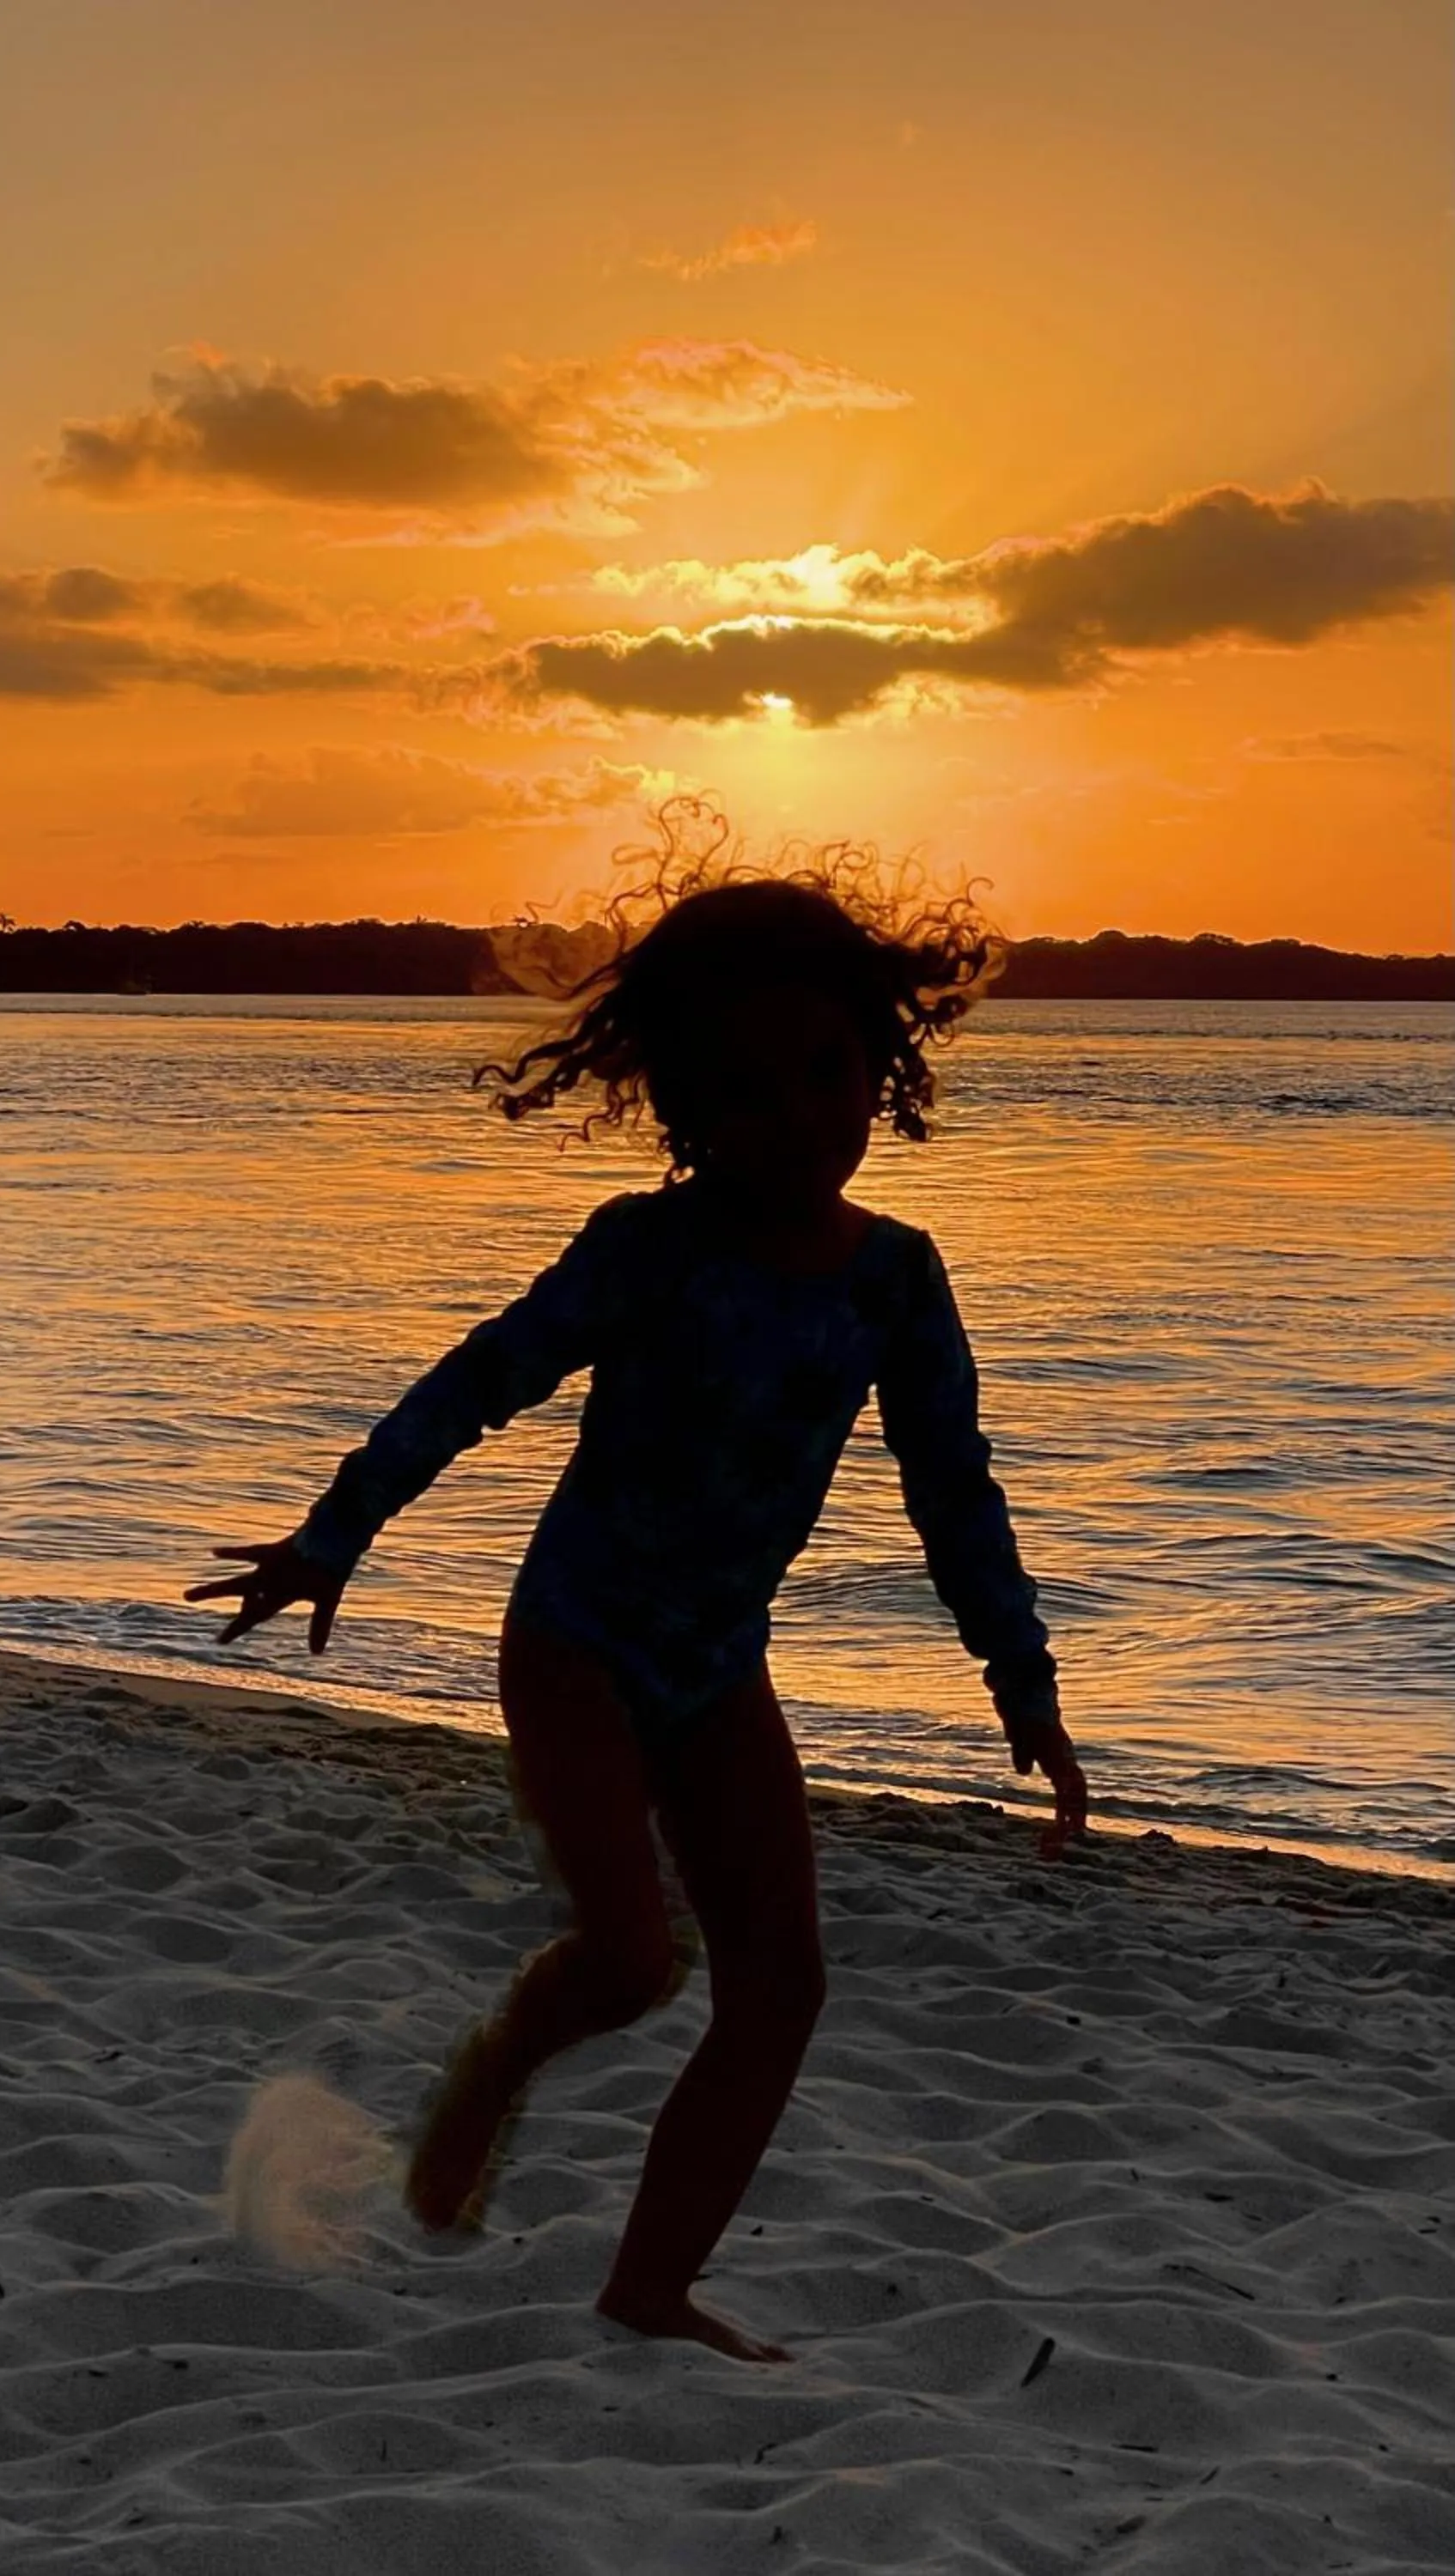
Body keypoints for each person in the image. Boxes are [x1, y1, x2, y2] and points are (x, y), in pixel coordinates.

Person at [186, 810, 1088, 2366]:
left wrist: (1023, 1688)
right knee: (628, 1961)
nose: (795, 1118)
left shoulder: (894, 1278)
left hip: (716, 1668)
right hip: (578, 1647)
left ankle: (648, 2285)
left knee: (780, 1987)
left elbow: (955, 1496)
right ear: (676, 1100)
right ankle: (495, 2063)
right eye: (741, 1090)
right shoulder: (644, 1251)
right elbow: (477, 1383)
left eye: (826, 1073)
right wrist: (335, 1534)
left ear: (880, 1066)